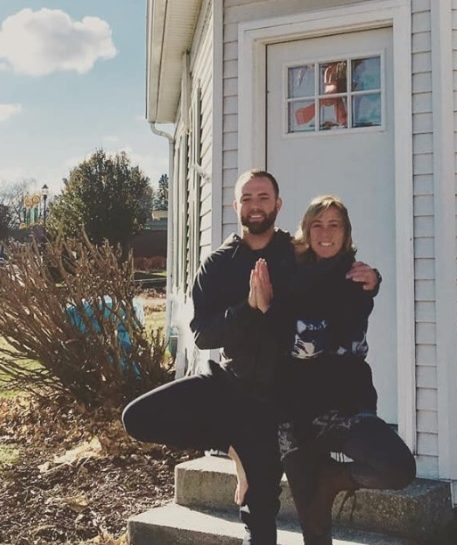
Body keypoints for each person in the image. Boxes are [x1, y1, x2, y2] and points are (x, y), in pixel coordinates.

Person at [122, 170, 381, 545]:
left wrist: (373, 279)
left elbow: (336, 264)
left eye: (263, 197)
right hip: (234, 386)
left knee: (286, 518)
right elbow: (203, 334)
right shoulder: (218, 265)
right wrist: (248, 308)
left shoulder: (295, 253)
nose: (255, 206)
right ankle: (232, 445)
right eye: (247, 198)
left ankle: (243, 453)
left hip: (287, 400)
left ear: (278, 204)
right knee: (138, 417)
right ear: (235, 206)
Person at [254, 195, 415, 545]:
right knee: (315, 530)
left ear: (346, 233)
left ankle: (333, 479)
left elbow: (308, 343)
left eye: (334, 225)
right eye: (317, 224)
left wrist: (271, 312)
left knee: (397, 467)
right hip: (294, 415)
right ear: (306, 231)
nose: (325, 233)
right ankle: (321, 489)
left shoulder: (356, 278)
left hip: (345, 407)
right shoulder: (289, 273)